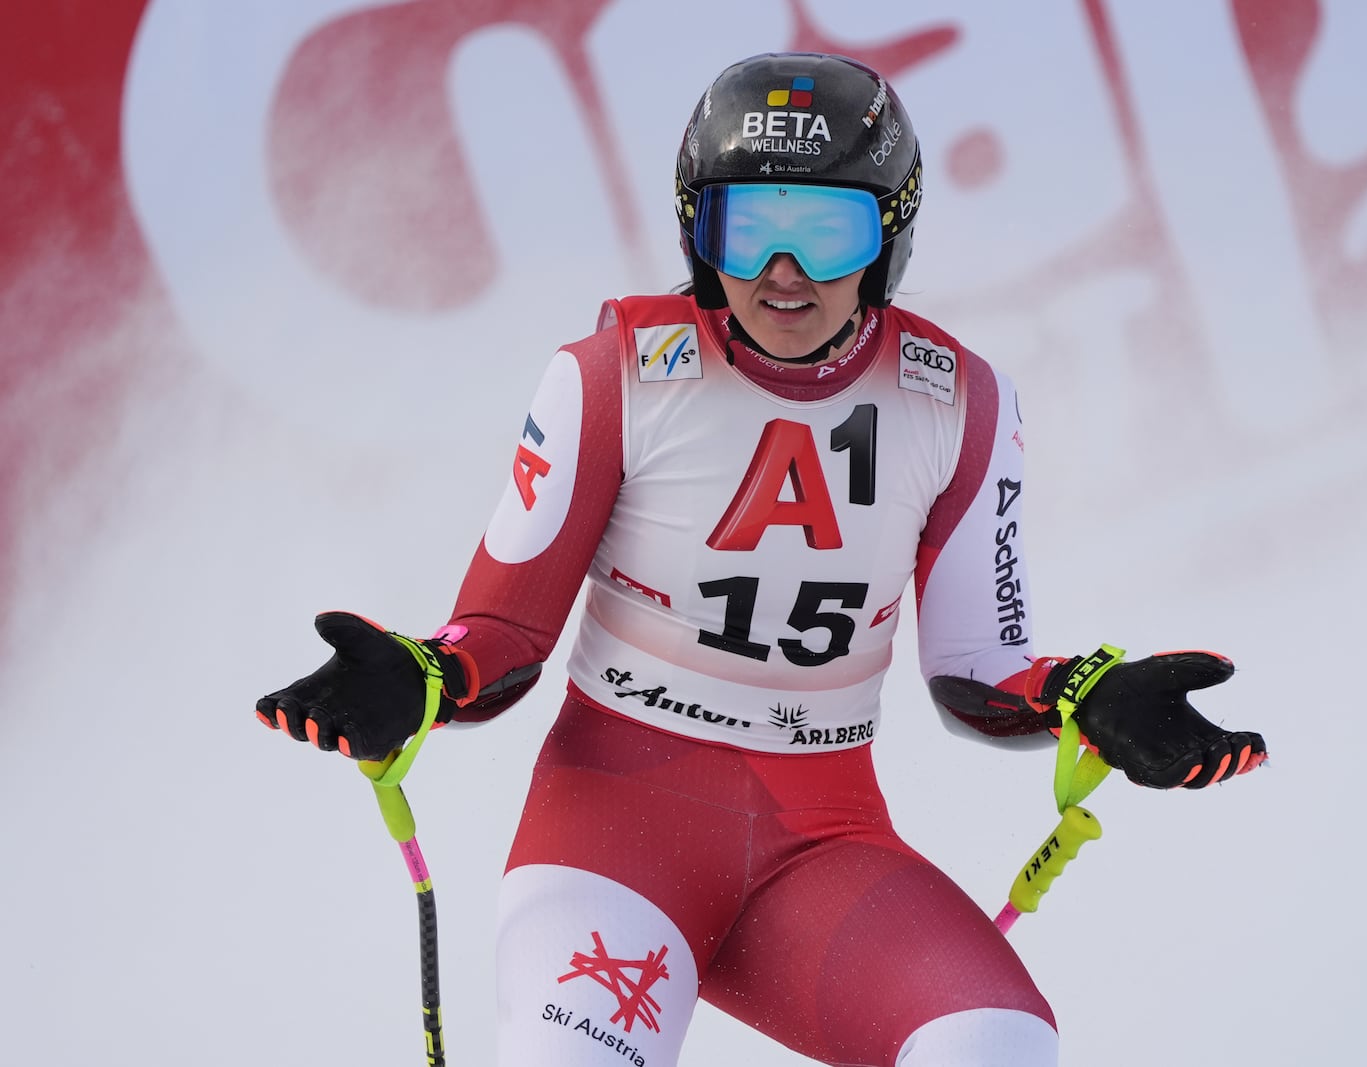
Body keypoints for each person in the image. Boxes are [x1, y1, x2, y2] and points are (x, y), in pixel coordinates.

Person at [256, 51, 1267, 1067]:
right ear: (700, 230)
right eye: (747, 229)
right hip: (611, 836)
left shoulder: (960, 402)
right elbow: (502, 633)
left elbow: (975, 665)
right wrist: (419, 670)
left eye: (825, 231)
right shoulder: (611, 381)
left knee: (998, 1042)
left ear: (889, 235)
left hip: (821, 850)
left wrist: (1090, 692)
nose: (782, 274)